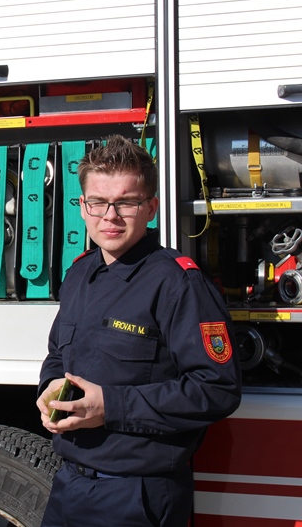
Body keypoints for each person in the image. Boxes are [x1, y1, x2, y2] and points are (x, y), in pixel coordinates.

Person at [36, 135, 241, 527]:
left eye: (126, 202)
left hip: (138, 495)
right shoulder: (79, 273)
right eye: (97, 202)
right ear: (82, 206)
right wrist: (50, 387)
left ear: (151, 207)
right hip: (68, 486)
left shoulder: (178, 284)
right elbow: (58, 355)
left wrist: (111, 406)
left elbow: (217, 388)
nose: (109, 216)